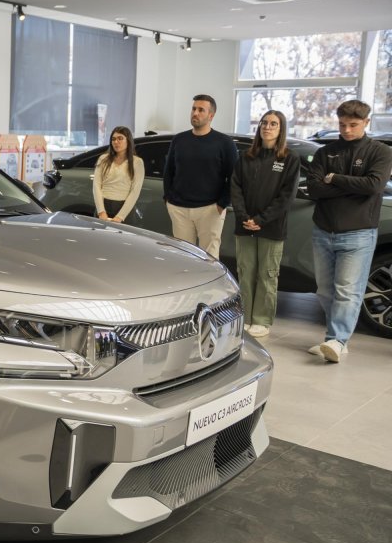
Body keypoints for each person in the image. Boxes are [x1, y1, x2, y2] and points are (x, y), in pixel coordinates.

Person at [304, 100, 392, 362]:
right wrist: (352, 186)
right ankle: (334, 338)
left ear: (366, 122)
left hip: (359, 233)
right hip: (323, 230)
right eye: (342, 124)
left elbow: (374, 186)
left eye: (353, 125)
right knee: (325, 290)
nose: (347, 130)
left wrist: (334, 179)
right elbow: (314, 188)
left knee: (347, 290)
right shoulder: (325, 152)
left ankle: (337, 340)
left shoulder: (381, 152)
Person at [230, 110, 300, 338]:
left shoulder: (289, 159)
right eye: (264, 123)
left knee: (267, 275)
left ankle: (261, 320)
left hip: (271, 227)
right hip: (245, 225)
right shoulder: (246, 157)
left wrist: (260, 219)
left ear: (281, 129)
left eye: (273, 124)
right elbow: (236, 188)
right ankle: (246, 317)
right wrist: (244, 216)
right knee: (246, 271)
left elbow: (286, 196)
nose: (267, 127)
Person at [163, 94, 238, 258]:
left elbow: (234, 177)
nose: (195, 113)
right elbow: (169, 171)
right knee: (182, 256)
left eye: (201, 110)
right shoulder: (179, 140)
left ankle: (210, 285)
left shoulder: (224, 143)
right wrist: (168, 198)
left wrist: (222, 203)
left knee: (209, 258)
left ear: (211, 115)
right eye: (193, 109)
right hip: (179, 208)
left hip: (209, 209)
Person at [93, 126, 145, 224]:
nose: (116, 142)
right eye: (113, 139)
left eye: (120, 138)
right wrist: (101, 211)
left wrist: (120, 217)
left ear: (128, 140)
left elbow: (135, 191)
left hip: (124, 210)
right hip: (103, 207)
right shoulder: (103, 159)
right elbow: (96, 185)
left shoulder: (137, 162)